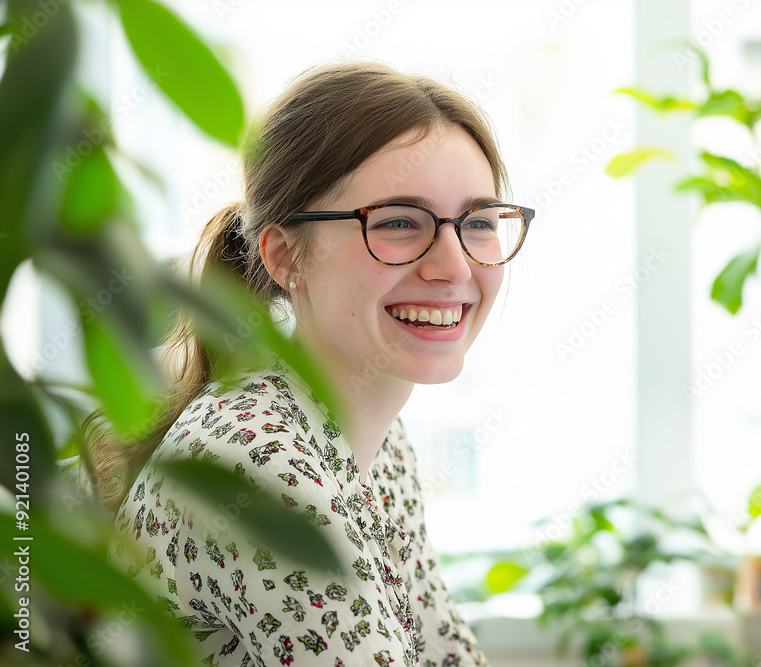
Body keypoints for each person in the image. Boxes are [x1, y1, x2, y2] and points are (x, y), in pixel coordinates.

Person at [88, 61, 534, 666]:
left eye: (477, 223)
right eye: (399, 223)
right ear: (284, 256)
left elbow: (446, 652)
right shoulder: (259, 462)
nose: (454, 266)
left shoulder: (382, 445)